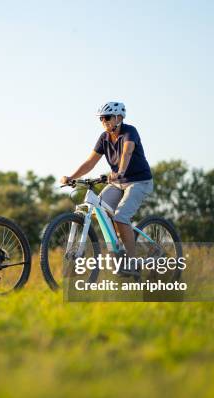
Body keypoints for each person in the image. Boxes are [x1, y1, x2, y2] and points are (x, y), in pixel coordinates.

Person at [60, 101, 153, 273]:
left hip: (139, 181)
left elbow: (127, 152)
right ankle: (118, 249)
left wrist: (120, 171)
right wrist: (72, 177)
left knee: (120, 217)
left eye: (107, 118)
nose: (104, 121)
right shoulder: (104, 138)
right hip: (117, 182)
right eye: (101, 119)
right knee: (99, 210)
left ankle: (131, 262)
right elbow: (90, 162)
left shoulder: (129, 132)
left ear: (119, 117)